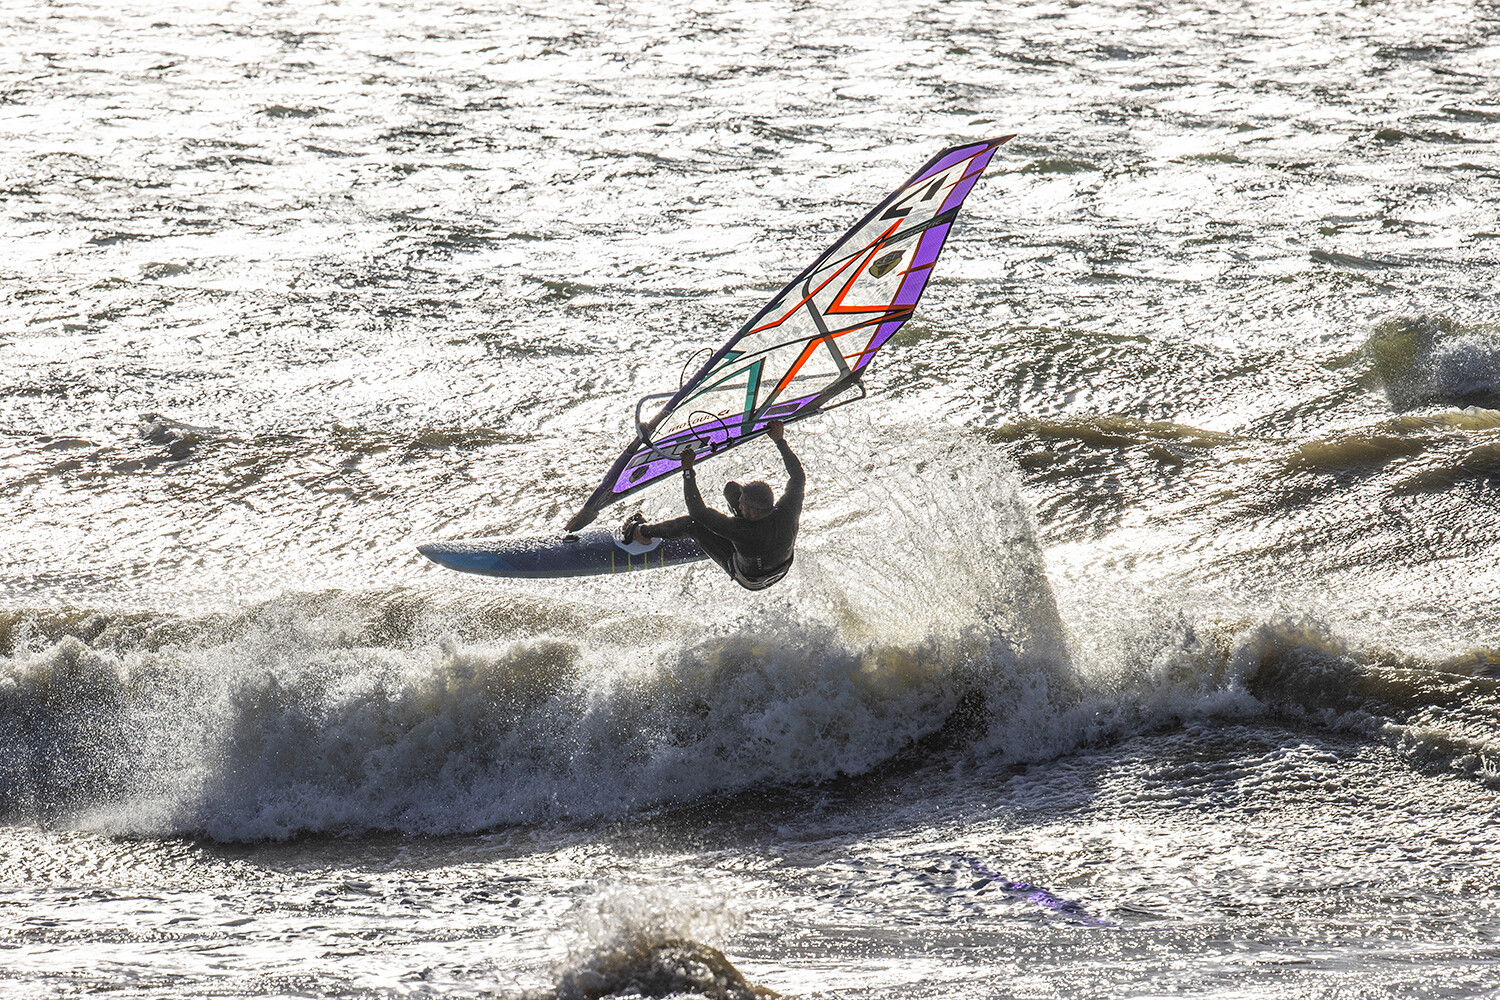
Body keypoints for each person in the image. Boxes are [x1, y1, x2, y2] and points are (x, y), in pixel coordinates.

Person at [622, 418, 804, 591]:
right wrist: (779, 440)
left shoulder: (742, 531)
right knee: (732, 490)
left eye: (742, 506)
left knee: (690, 524)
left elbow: (697, 512)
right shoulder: (788, 509)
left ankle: (641, 533)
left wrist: (688, 470)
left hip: (751, 578)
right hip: (780, 564)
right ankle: (720, 537)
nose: (739, 506)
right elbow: (798, 477)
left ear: (754, 512)